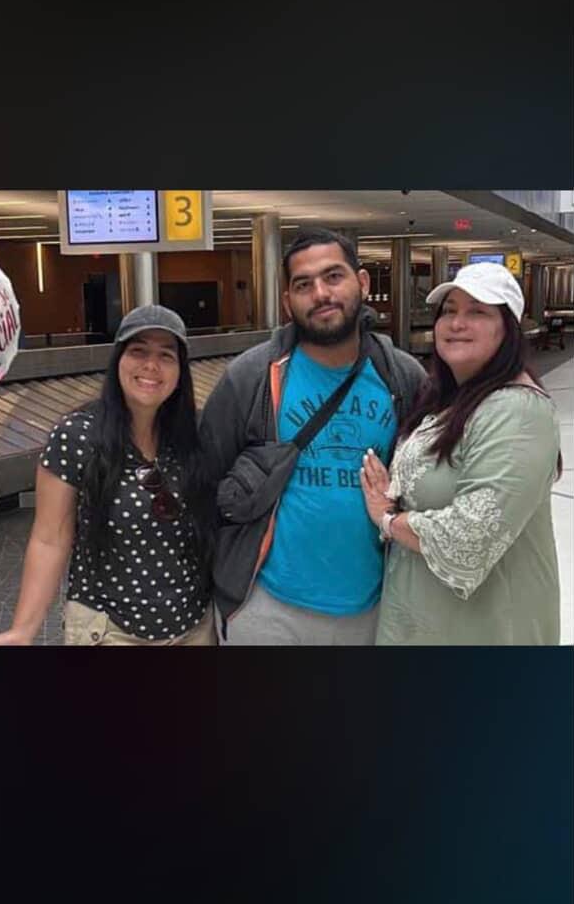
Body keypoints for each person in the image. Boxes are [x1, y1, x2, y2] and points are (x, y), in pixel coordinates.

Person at [199, 227, 428, 645]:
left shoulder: (403, 378)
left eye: (333, 276)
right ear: (288, 303)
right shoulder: (252, 377)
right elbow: (204, 477)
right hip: (265, 607)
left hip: (372, 606)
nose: (321, 293)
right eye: (303, 285)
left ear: (361, 282)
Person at [360, 262, 562, 646]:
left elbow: (470, 537)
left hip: (486, 628)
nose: (456, 323)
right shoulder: (447, 400)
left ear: (508, 330)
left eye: (478, 312)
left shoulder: (518, 411)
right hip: (421, 620)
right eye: (449, 311)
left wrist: (387, 519)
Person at [0, 305, 216, 646]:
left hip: (194, 628)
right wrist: (23, 630)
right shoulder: (78, 435)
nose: (151, 366)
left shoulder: (196, 435)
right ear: (118, 361)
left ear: (181, 370)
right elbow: (50, 538)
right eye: (138, 351)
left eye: (166, 356)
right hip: (108, 630)